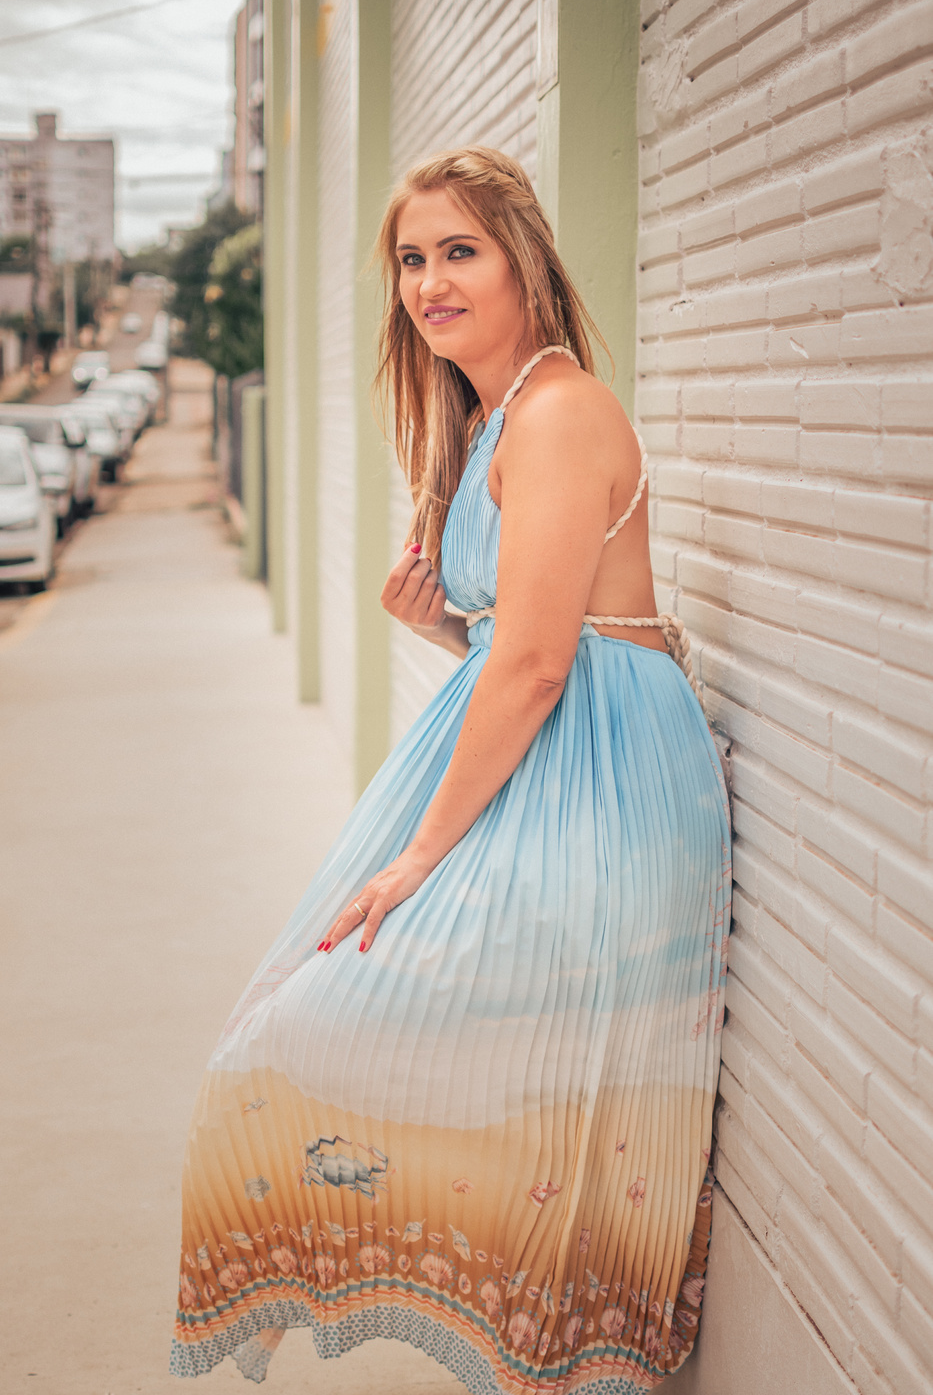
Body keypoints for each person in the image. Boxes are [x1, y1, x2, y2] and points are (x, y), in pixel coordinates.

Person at [171, 146, 731, 1391]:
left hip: (599, 779)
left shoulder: (560, 409)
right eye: (412, 259)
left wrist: (418, 857)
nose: (429, 282)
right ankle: (541, 1349)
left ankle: (575, 1348)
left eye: (459, 251)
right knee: (489, 1082)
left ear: (524, 260)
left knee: (357, 1031)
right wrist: (443, 626)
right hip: (562, 747)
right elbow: (526, 641)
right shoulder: (494, 420)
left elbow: (537, 665)